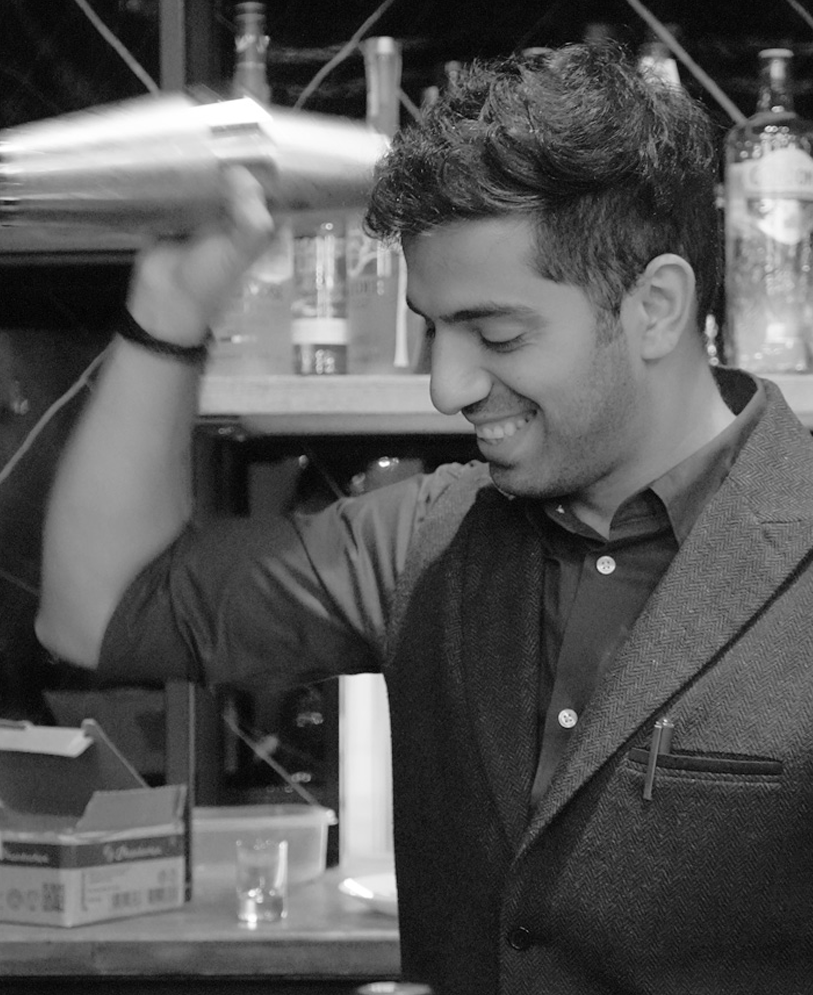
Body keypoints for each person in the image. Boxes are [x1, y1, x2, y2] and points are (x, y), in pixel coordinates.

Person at [35, 40, 813, 994]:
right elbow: (94, 610)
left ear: (654, 306)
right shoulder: (429, 540)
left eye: (495, 333)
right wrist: (168, 308)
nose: (448, 386)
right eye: (432, 329)